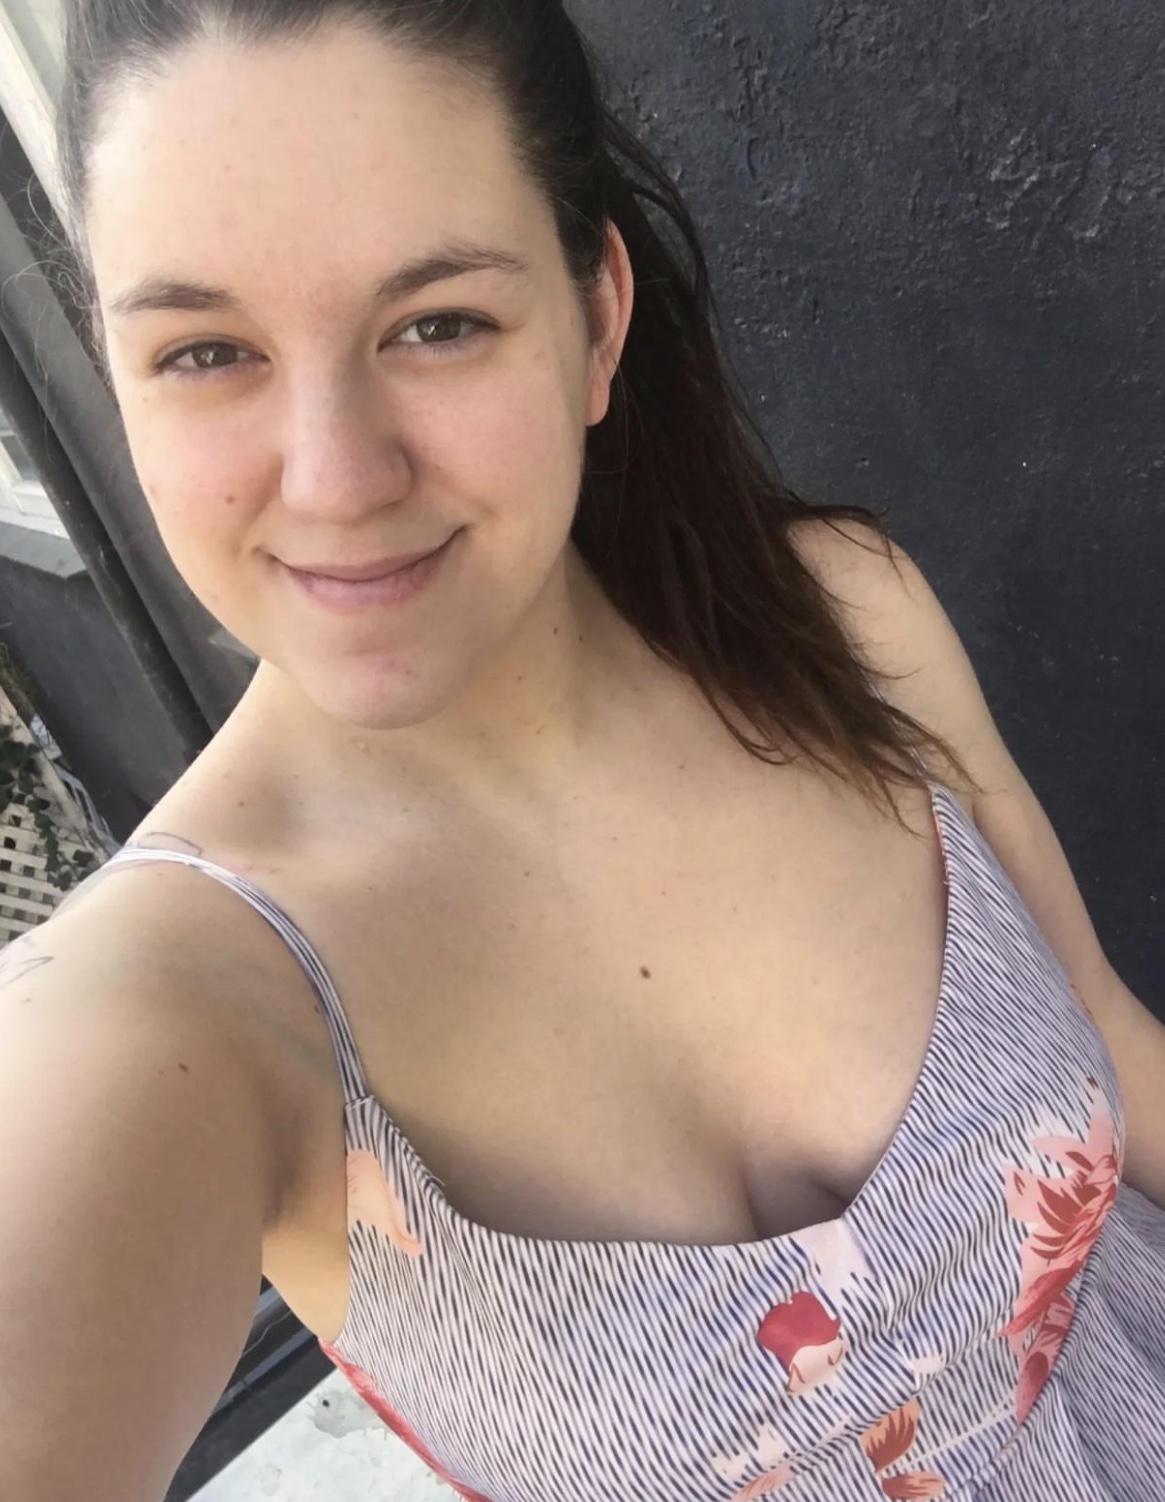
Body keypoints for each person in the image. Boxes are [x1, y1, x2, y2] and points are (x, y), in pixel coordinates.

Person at [3, 1, 1163, 1498]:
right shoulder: (186, 1000)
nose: (338, 478)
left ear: (596, 321)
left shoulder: (838, 619)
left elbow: (1114, 1046)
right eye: (206, 351)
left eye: (438, 323)